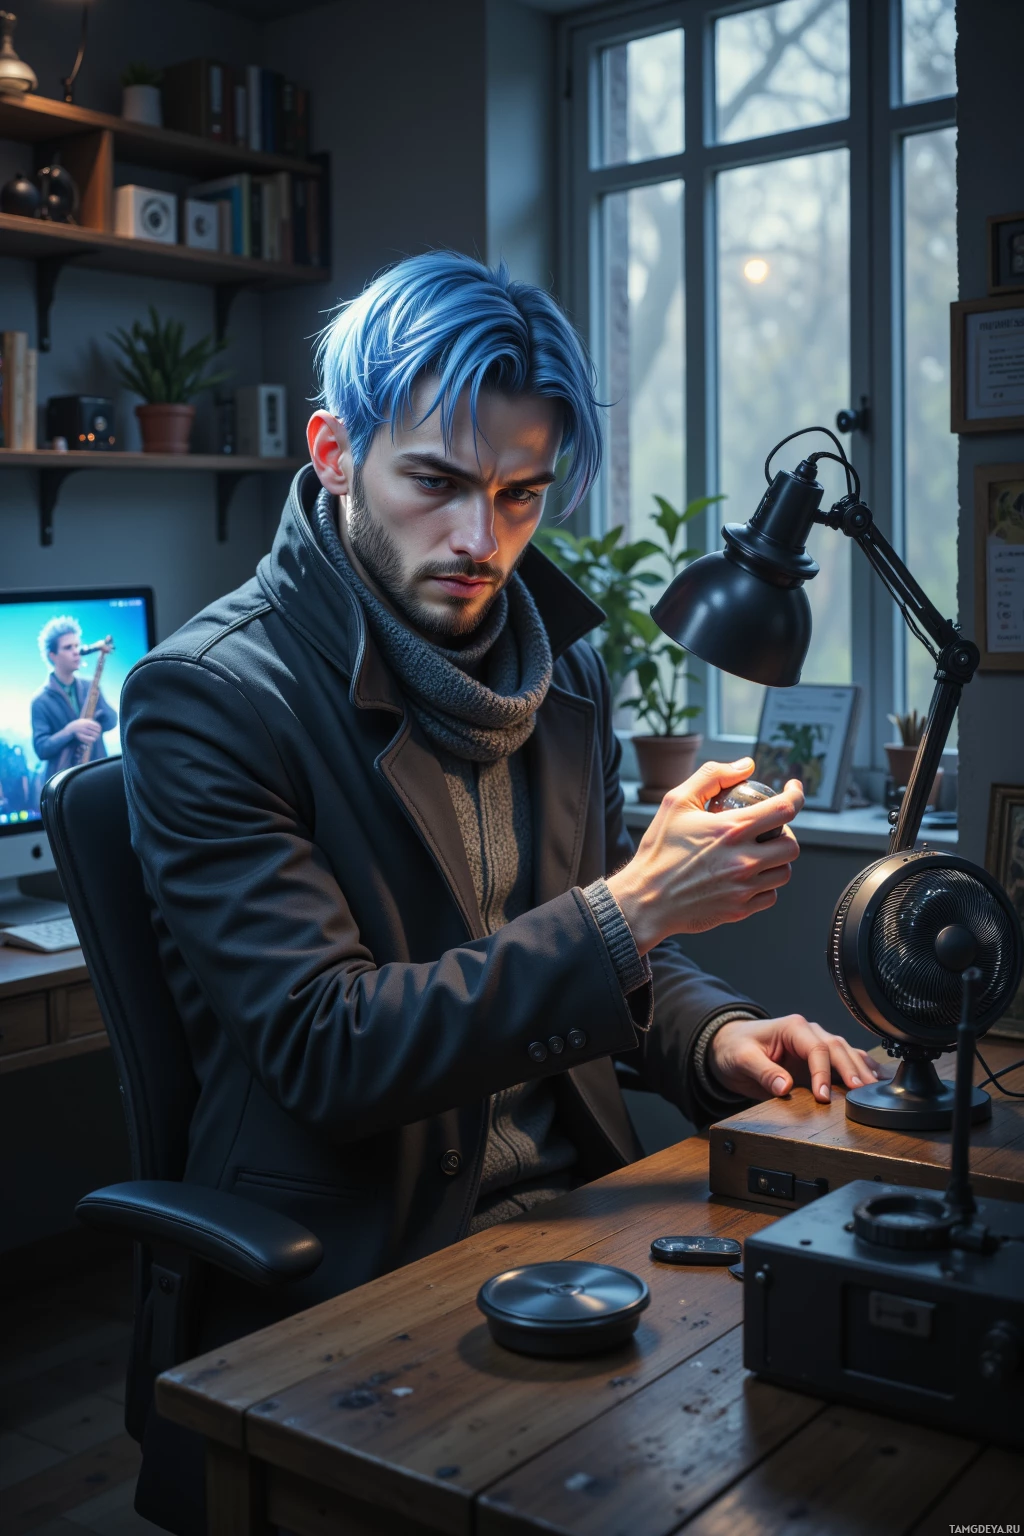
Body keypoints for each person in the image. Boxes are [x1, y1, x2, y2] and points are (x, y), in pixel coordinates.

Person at [121, 253, 880, 1527]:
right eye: (435, 482)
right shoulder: (210, 699)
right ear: (334, 453)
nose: (482, 541)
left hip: (581, 1219)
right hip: (358, 1265)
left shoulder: (560, 676)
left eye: (521, 494)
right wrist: (635, 907)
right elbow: (326, 1047)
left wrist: (717, 1034)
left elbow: (607, 953)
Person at [31, 617, 117, 778]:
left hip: (98, 773)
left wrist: (97, 718)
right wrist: (70, 731)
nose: (76, 651)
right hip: (64, 781)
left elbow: (112, 721)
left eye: (77, 646)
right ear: (52, 655)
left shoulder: (90, 686)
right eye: (68, 647)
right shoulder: (40, 701)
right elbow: (42, 749)